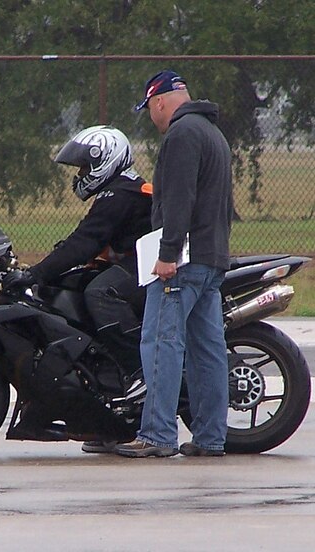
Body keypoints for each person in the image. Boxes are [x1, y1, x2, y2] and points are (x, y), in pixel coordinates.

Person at [4, 125, 152, 452]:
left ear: (105, 160)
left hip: (148, 266)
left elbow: (85, 241)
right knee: (79, 283)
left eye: (85, 167)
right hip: (137, 263)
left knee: (100, 292)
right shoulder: (117, 190)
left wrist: (36, 274)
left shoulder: (121, 193)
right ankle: (109, 410)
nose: (81, 174)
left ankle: (139, 371)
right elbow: (85, 239)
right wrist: (52, 266)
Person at [114, 70, 233, 458]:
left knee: (161, 343)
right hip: (211, 258)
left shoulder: (181, 135)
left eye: (150, 108)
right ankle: (211, 438)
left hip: (181, 262)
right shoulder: (213, 134)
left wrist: (167, 254)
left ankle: (157, 435)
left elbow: (179, 200)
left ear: (160, 100)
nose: (152, 115)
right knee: (208, 351)